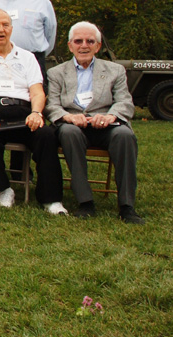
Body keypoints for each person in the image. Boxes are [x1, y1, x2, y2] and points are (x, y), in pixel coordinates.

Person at [0, 9, 67, 214]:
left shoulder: (28, 58)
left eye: (5, 25)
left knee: (47, 135)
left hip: (23, 112)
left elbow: (37, 93)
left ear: (11, 29)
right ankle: (3, 190)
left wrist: (36, 113)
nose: (1, 30)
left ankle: (51, 200)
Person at [46, 21, 144, 224]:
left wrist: (110, 117)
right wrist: (69, 117)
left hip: (105, 124)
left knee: (125, 135)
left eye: (90, 41)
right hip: (73, 124)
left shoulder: (115, 70)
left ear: (98, 46)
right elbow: (51, 106)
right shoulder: (56, 73)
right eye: (78, 41)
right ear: (70, 45)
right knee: (68, 133)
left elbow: (125, 102)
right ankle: (85, 202)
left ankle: (127, 206)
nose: (84, 45)